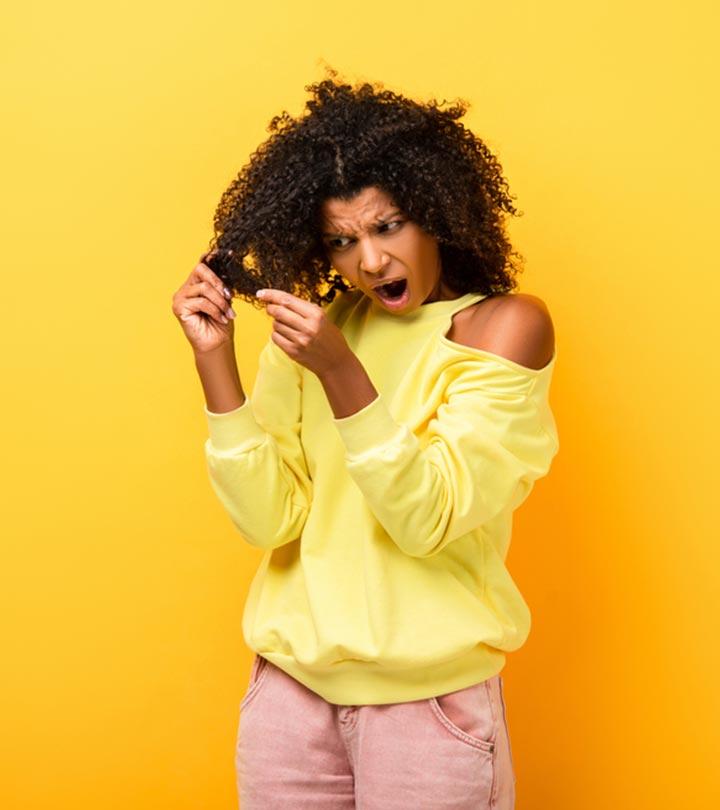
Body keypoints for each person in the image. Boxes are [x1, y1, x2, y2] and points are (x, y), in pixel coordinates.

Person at [171, 68, 558, 810]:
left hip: (428, 708)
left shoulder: (503, 329)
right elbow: (269, 521)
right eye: (341, 241)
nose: (370, 262)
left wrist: (341, 371)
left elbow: (427, 516)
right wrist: (213, 357)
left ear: (438, 212)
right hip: (288, 695)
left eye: (387, 227)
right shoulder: (315, 334)